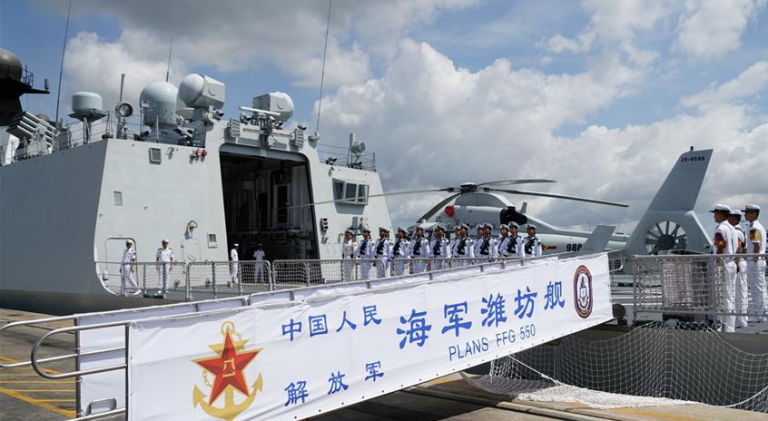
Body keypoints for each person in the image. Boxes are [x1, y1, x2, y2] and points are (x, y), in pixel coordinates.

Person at [711, 204, 737, 332]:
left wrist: (717, 259)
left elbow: (720, 245)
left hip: (723, 264)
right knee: (730, 295)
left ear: (721, 214)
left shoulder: (720, 229)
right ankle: (730, 325)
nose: (714, 216)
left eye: (715, 213)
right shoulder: (732, 228)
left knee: (722, 296)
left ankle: (725, 325)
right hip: (731, 262)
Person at [743, 204, 766, 322]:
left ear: (754, 214)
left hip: (755, 261)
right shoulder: (758, 226)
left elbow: (756, 244)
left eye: (747, 213)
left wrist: (754, 259)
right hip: (758, 260)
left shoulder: (753, 228)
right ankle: (762, 313)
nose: (745, 215)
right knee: (760, 287)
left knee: (756, 287)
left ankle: (759, 315)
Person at [728, 211, 748, 328]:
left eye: (729, 217)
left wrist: (736, 264)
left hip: (739, 264)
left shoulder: (736, 231)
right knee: (739, 292)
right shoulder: (737, 230)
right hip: (739, 263)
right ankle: (740, 319)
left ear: (734, 219)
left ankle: (741, 320)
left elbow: (738, 249)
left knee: (739, 293)